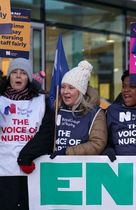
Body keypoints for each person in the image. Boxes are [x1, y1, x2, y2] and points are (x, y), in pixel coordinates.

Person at [0, 58, 54, 210]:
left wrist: (27, 155)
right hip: (4, 169)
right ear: (8, 76)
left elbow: (47, 133)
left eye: (23, 73)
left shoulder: (40, 101)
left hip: (31, 169)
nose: (18, 76)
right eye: (14, 72)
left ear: (28, 78)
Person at [52, 60, 107, 156]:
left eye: (71, 88)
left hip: (82, 169)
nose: (65, 91)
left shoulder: (95, 113)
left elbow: (97, 144)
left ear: (80, 91)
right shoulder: (56, 109)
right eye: (63, 87)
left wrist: (67, 152)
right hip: (55, 167)